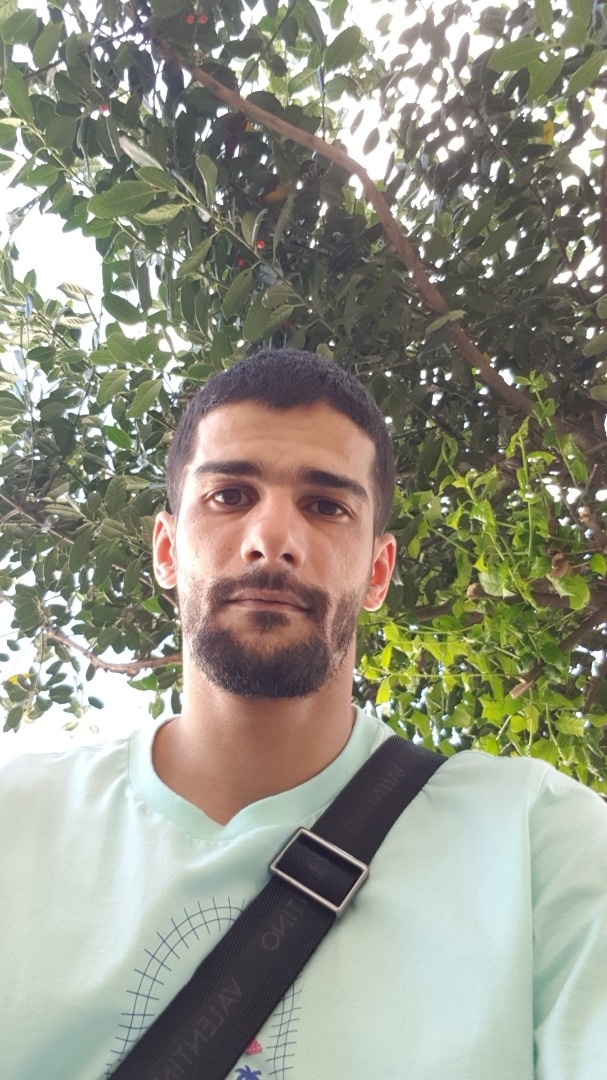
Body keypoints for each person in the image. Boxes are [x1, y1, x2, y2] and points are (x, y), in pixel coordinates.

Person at [1, 347, 606, 1080]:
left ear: (377, 572)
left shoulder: (539, 844)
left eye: (325, 506)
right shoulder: (16, 821)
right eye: (229, 496)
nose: (272, 541)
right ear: (166, 550)